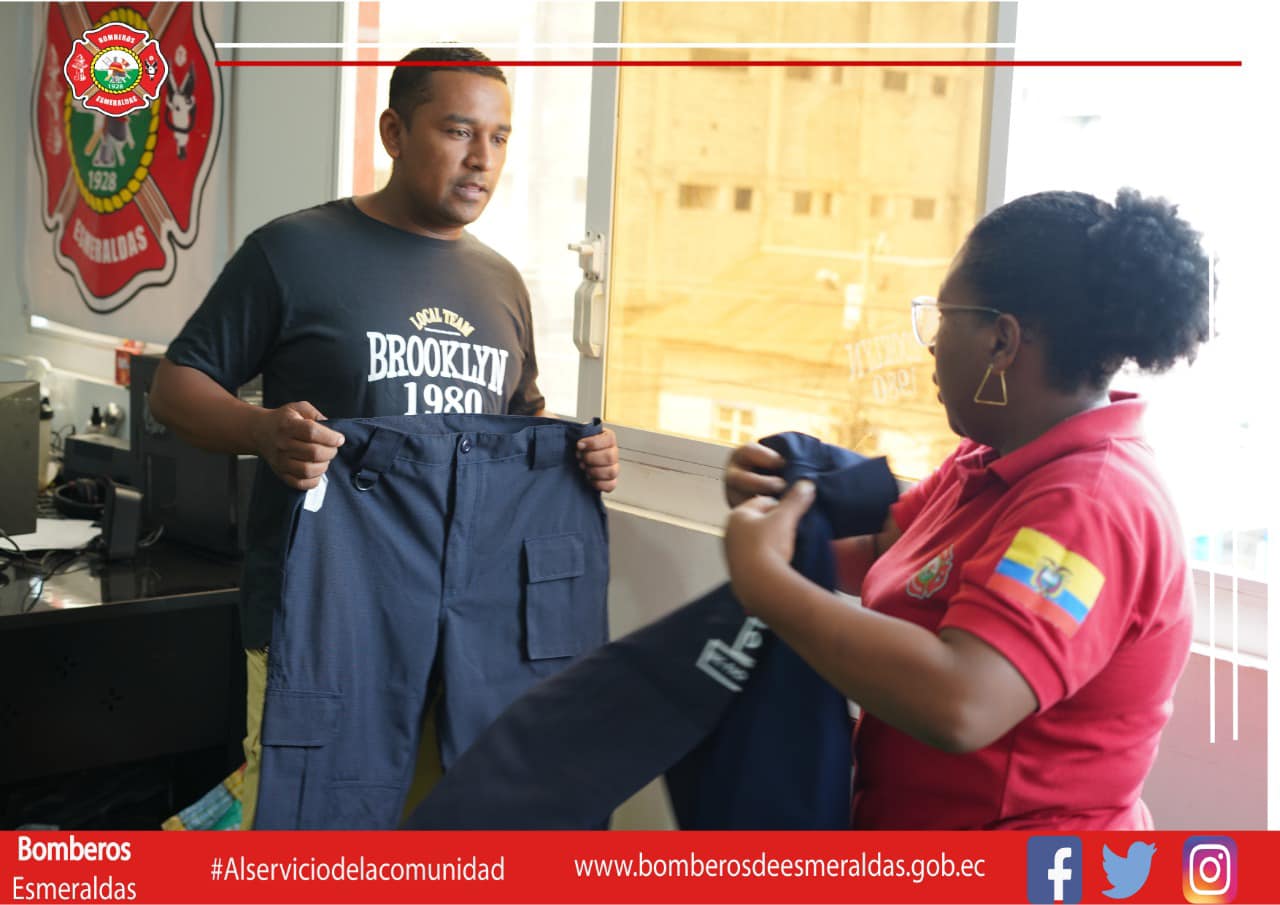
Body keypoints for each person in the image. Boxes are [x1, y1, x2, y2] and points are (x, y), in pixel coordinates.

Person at [149, 47, 620, 828]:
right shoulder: (294, 251)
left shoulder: (501, 282)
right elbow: (176, 388)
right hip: (327, 611)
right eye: (459, 131)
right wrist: (264, 431)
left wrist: (577, 456)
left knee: (459, 827)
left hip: (474, 621)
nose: (482, 158)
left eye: (500, 137)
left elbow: (515, 425)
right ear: (395, 132)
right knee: (308, 829)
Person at [722, 188, 1211, 829]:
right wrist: (777, 511)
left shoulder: (1088, 507)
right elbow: (890, 553)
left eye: (944, 317)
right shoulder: (992, 456)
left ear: (1002, 341)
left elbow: (963, 701)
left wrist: (769, 586)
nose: (932, 343)